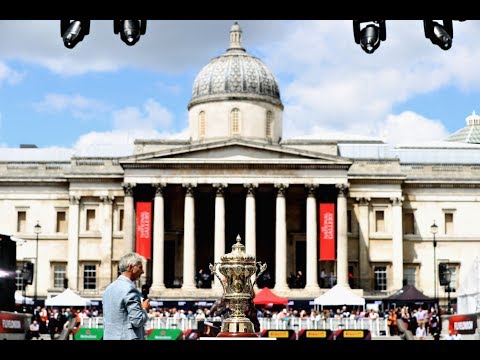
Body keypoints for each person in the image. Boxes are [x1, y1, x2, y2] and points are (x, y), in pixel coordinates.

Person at [102, 252, 150, 340]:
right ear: (130, 267)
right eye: (140, 267)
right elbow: (137, 321)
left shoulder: (108, 288)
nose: (142, 272)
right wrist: (144, 310)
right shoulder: (130, 289)